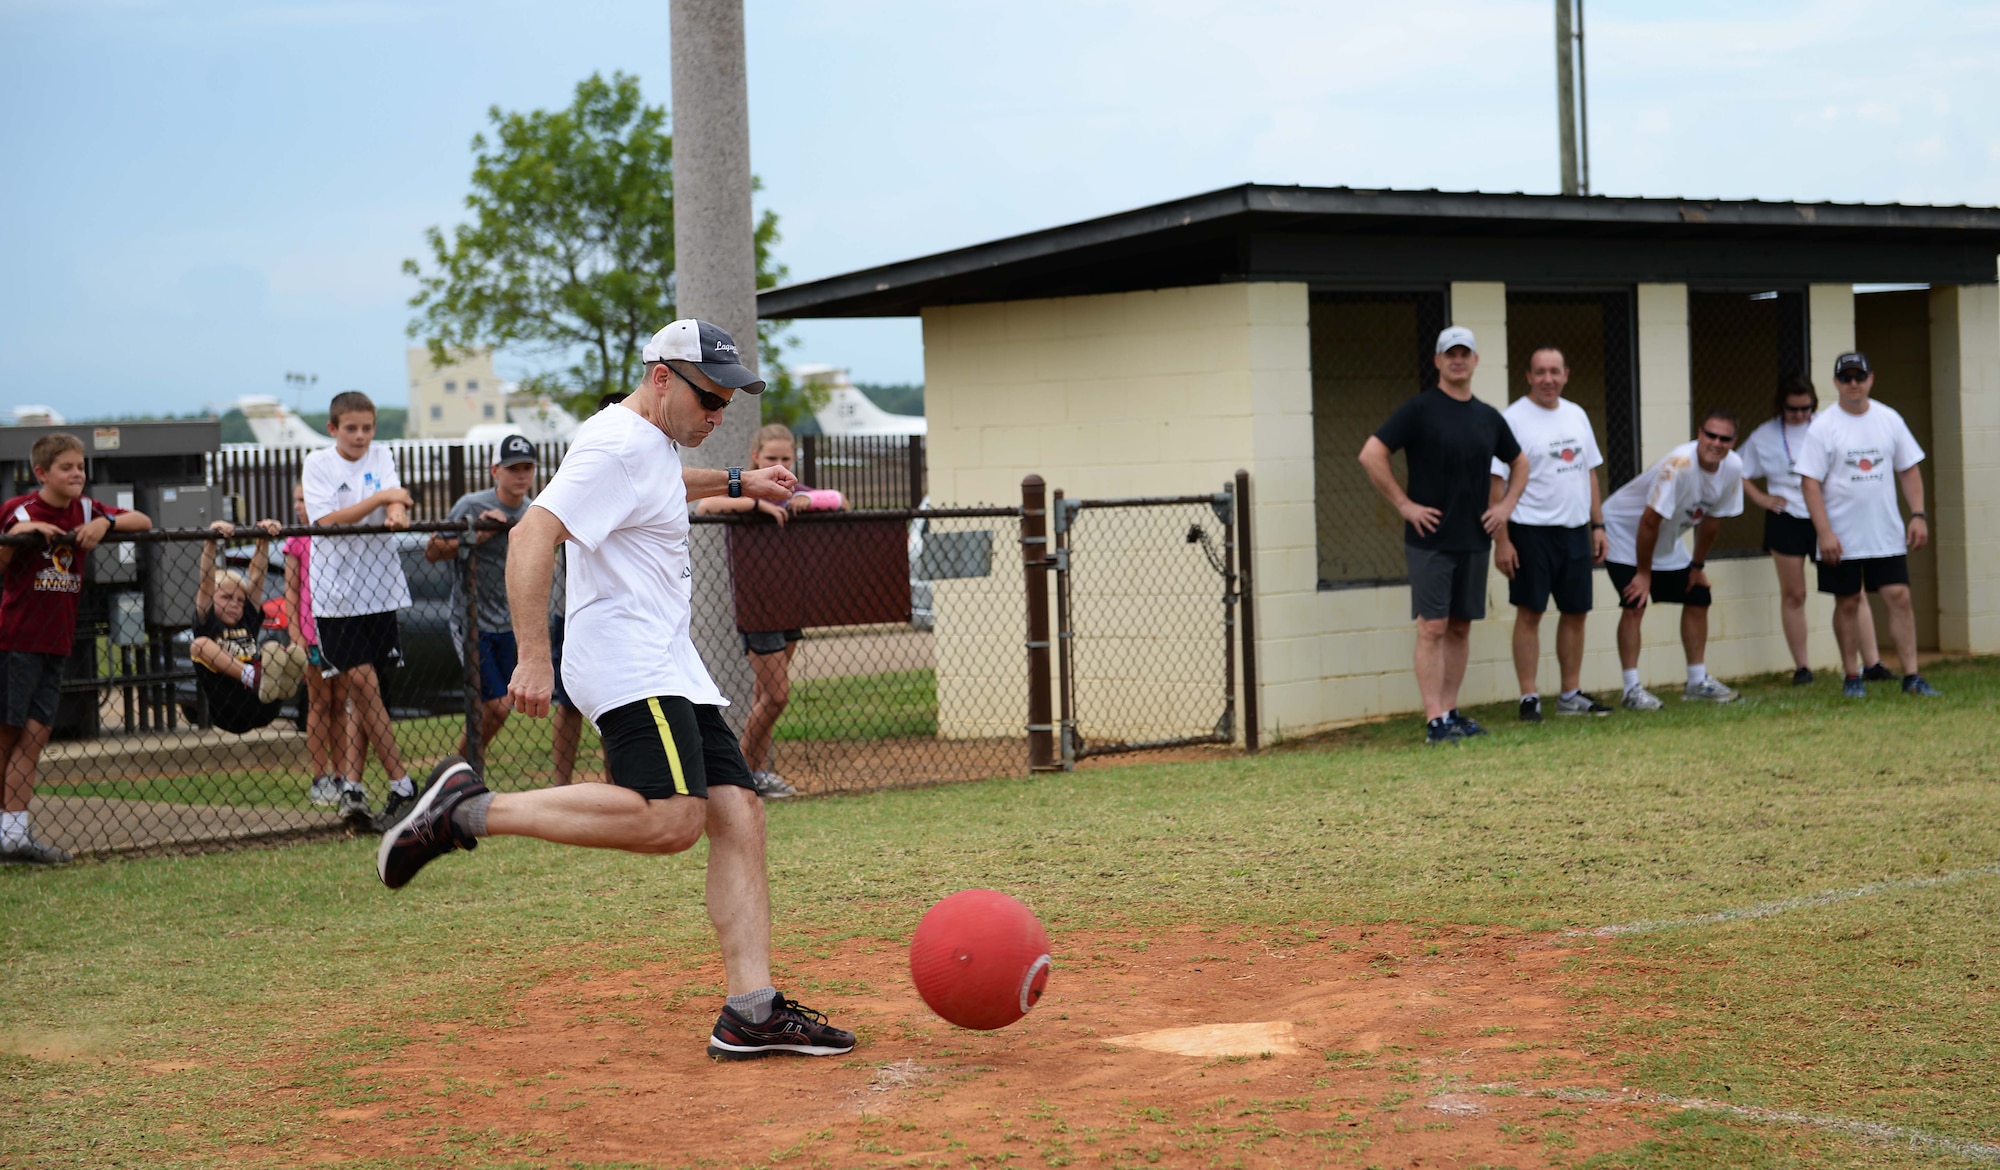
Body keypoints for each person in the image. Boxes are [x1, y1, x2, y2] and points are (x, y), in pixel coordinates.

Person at [377, 319, 857, 1061]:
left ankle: (751, 1011)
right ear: (662, 377)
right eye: (710, 399)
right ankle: (466, 810)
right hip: (630, 660)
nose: (719, 415)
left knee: (738, 811)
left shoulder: (647, 442)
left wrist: (738, 480)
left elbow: (657, 483)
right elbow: (534, 532)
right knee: (671, 820)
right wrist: (534, 657)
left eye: (728, 401)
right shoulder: (614, 442)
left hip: (667, 661)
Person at [1359, 326, 1527, 746]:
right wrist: (1404, 505)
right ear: (1437, 361)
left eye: (1464, 353)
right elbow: (1371, 453)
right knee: (1432, 626)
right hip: (1430, 539)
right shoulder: (1419, 410)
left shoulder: (1488, 417)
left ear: (1475, 361)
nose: (1458, 360)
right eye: (1449, 354)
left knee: (1459, 628)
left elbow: (1520, 462)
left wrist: (1504, 507)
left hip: (1474, 538)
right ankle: (1434, 719)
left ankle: (1451, 711)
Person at [0, 433, 152, 863]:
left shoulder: (86, 509)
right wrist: (21, 534)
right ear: (42, 473)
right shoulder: (21, 510)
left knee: (35, 735)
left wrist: (107, 523)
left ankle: (14, 836)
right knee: (7, 735)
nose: (77, 474)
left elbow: (143, 521)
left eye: (81, 466)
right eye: (67, 467)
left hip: (57, 642)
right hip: (16, 641)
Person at [696, 422, 843, 799]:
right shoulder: (744, 492)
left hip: (791, 601)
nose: (779, 463)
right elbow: (707, 504)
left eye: (786, 458)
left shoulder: (797, 492)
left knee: (767, 696)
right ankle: (742, 774)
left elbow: (838, 499)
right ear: (756, 458)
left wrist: (809, 501)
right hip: (758, 603)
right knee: (777, 695)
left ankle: (755, 774)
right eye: (772, 458)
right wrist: (758, 504)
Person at [302, 390, 418, 830]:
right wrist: (384, 499)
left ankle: (354, 785)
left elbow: (397, 496)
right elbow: (326, 521)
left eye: (367, 427)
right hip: (337, 596)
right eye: (351, 428)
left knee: (370, 697)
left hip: (380, 592)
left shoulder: (382, 455)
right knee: (363, 686)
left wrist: (395, 506)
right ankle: (402, 783)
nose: (360, 436)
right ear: (333, 429)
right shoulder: (319, 464)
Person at [1796, 351, 1939, 699]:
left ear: (1871, 379)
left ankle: (1912, 675)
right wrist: (1824, 532)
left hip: (1884, 532)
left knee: (1899, 596)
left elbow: (1908, 469)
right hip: (1841, 536)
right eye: (1846, 378)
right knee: (1846, 602)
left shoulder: (1889, 419)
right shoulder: (1823, 427)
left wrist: (1918, 514)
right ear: (1836, 383)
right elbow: (1809, 483)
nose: (1853, 384)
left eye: (1859, 377)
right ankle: (1851, 676)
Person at [1739, 375, 1891, 686]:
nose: (1798, 415)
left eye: (1805, 408)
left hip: (1830, 516)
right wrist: (1762, 498)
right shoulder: (1764, 435)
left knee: (1852, 590)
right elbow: (1736, 469)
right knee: (1794, 593)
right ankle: (1803, 668)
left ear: (1814, 405)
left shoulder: (1827, 426)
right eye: (1791, 409)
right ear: (1780, 406)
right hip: (1787, 518)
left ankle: (1872, 663)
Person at [1488, 345, 1612, 721]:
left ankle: (1570, 694)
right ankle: (1530, 697)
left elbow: (1589, 472)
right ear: (1528, 376)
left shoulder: (1576, 415)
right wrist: (1503, 540)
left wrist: (1598, 525)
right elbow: (1497, 483)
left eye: (1554, 372)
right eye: (1540, 372)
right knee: (1531, 612)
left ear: (1566, 375)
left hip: (1575, 531)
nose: (1548, 379)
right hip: (1530, 532)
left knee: (1576, 612)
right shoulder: (1512, 419)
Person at [1599, 411, 1746, 709]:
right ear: (1699, 433)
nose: (1716, 443)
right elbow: (1648, 522)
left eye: (1724, 438)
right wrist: (1643, 574)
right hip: (1625, 534)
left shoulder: (1732, 467)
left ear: (1734, 442)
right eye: (1710, 435)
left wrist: (1696, 566)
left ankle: (1696, 682)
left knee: (1698, 595)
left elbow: (1713, 521)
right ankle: (1631, 690)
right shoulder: (1679, 465)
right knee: (1635, 602)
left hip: (1665, 541)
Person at [426, 435, 539, 763]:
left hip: (510, 623)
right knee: (495, 706)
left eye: (526, 467)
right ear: (494, 470)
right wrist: (480, 533)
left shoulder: (533, 512)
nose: (520, 475)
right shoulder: (471, 506)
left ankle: (460, 770)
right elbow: (432, 551)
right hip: (472, 621)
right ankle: (460, 768)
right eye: (512, 468)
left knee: (498, 709)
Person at [189, 518, 309, 735]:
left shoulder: (247, 619)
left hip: (263, 703)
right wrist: (211, 541)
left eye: (239, 600)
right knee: (199, 645)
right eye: (226, 598)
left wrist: (263, 538)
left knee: (275, 651)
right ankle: (251, 675)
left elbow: (257, 578)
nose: (235, 605)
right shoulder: (207, 620)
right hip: (228, 706)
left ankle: (283, 684)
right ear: (212, 599)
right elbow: (206, 580)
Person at [284, 482, 349, 807]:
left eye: (304, 500)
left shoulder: (336, 535)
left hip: (339, 630)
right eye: (296, 500)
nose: (299, 506)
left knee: (340, 702)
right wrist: (295, 633)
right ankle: (319, 776)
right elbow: (291, 591)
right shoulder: (297, 540)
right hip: (311, 634)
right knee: (319, 702)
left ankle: (342, 775)